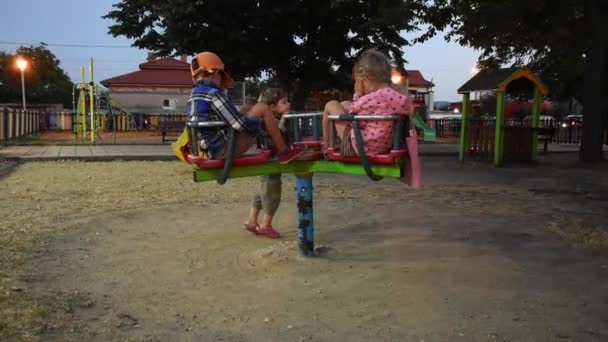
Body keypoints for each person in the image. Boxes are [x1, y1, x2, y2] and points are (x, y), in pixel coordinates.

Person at [188, 51, 305, 163]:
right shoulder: (213, 94)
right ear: (214, 73)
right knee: (262, 108)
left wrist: (251, 116)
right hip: (223, 151)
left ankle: (272, 143)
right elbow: (238, 124)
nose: (221, 81)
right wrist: (259, 126)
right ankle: (284, 151)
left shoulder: (194, 95)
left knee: (246, 108)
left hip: (209, 149)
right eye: (220, 75)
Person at [322, 49, 413, 156]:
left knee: (331, 105)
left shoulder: (368, 100)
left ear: (364, 79)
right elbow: (408, 106)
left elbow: (353, 114)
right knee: (344, 104)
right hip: (384, 146)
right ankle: (330, 143)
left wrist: (358, 93)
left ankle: (326, 146)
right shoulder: (394, 95)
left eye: (357, 81)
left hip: (359, 147)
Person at [242, 88, 291, 239]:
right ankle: (266, 225)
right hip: (273, 160)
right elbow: (278, 136)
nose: (288, 104)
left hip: (264, 158)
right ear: (272, 107)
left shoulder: (262, 120)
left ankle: (252, 220)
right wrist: (284, 118)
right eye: (284, 102)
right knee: (272, 192)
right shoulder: (271, 120)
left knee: (260, 189)